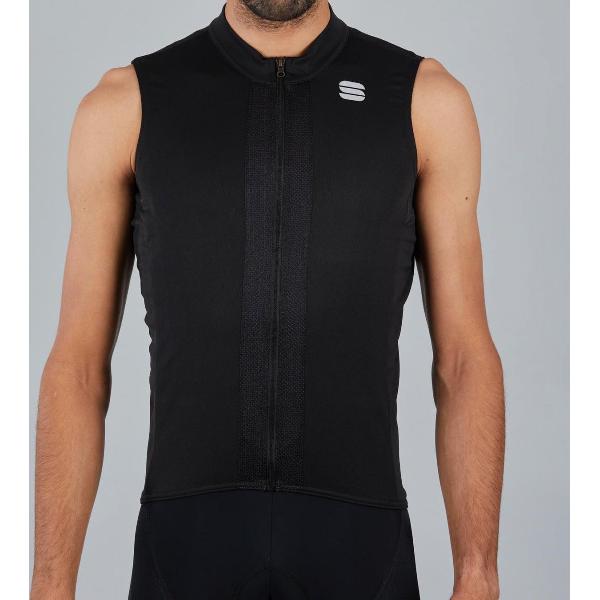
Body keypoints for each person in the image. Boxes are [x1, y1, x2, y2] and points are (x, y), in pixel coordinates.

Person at [31, 1, 505, 598]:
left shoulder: (423, 100)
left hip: (360, 547)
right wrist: (49, 583)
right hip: (186, 549)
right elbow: (77, 366)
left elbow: (463, 358)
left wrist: (478, 573)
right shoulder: (126, 104)